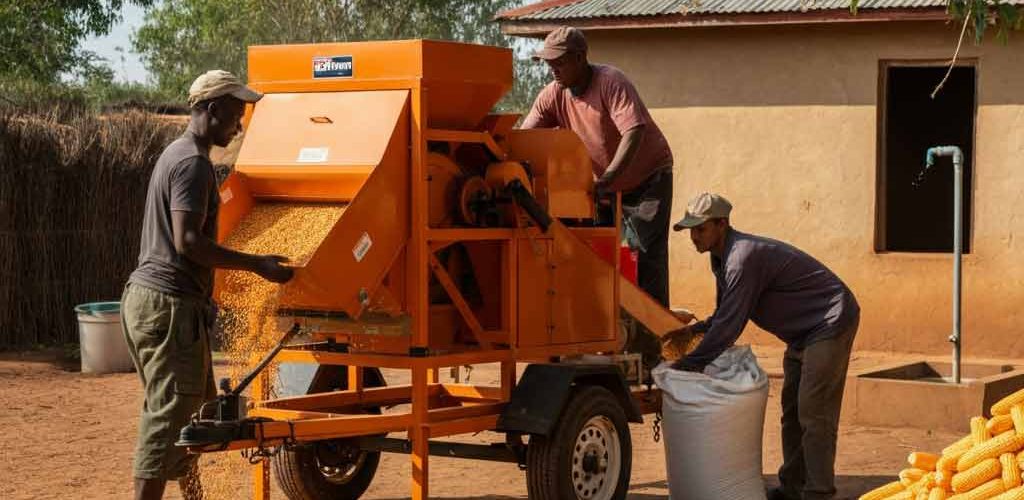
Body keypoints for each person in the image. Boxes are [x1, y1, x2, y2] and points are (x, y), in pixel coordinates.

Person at [121, 70, 294, 500]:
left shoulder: (175, 154)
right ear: (212, 109)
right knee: (165, 421)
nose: (238, 125)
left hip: (162, 303)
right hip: (168, 306)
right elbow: (189, 242)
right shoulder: (193, 164)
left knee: (191, 413)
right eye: (235, 114)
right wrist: (257, 265)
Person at [666, 192, 861, 500]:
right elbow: (722, 315)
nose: (693, 237)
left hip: (829, 321)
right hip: (801, 333)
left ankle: (819, 492)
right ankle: (792, 486)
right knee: (792, 412)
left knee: (814, 413)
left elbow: (730, 326)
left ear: (721, 224)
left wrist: (690, 363)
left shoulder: (742, 258)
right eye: (690, 230)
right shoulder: (721, 259)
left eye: (700, 229)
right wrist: (692, 333)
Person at [521, 26, 674, 309]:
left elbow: (634, 132)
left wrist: (607, 180)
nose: (553, 69)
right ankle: (609, 330)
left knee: (644, 254)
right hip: (603, 185)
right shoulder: (553, 95)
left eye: (560, 62)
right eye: (549, 63)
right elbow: (525, 138)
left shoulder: (610, 81)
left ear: (580, 57)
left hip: (648, 178)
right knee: (598, 254)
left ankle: (655, 340)